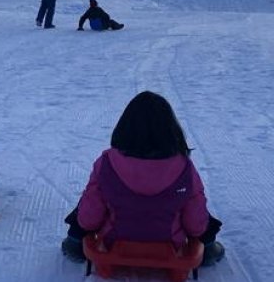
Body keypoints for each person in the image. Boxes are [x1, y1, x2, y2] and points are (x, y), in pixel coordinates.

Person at [60, 91, 224, 267]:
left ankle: (74, 242)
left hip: (114, 241)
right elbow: (195, 226)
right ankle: (209, 248)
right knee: (197, 208)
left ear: (125, 128)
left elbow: (89, 219)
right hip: (170, 243)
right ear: (170, 130)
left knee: (89, 200)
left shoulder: (106, 163)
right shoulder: (185, 168)